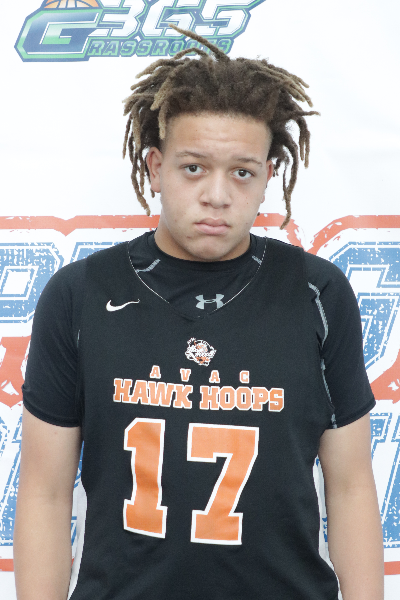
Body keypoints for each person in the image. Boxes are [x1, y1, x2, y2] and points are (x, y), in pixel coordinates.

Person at [14, 25, 383, 600]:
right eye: (193, 168)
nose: (217, 194)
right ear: (155, 167)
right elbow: (44, 492)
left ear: (268, 177)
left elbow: (352, 486)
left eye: (242, 171)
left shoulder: (317, 293)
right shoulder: (79, 294)